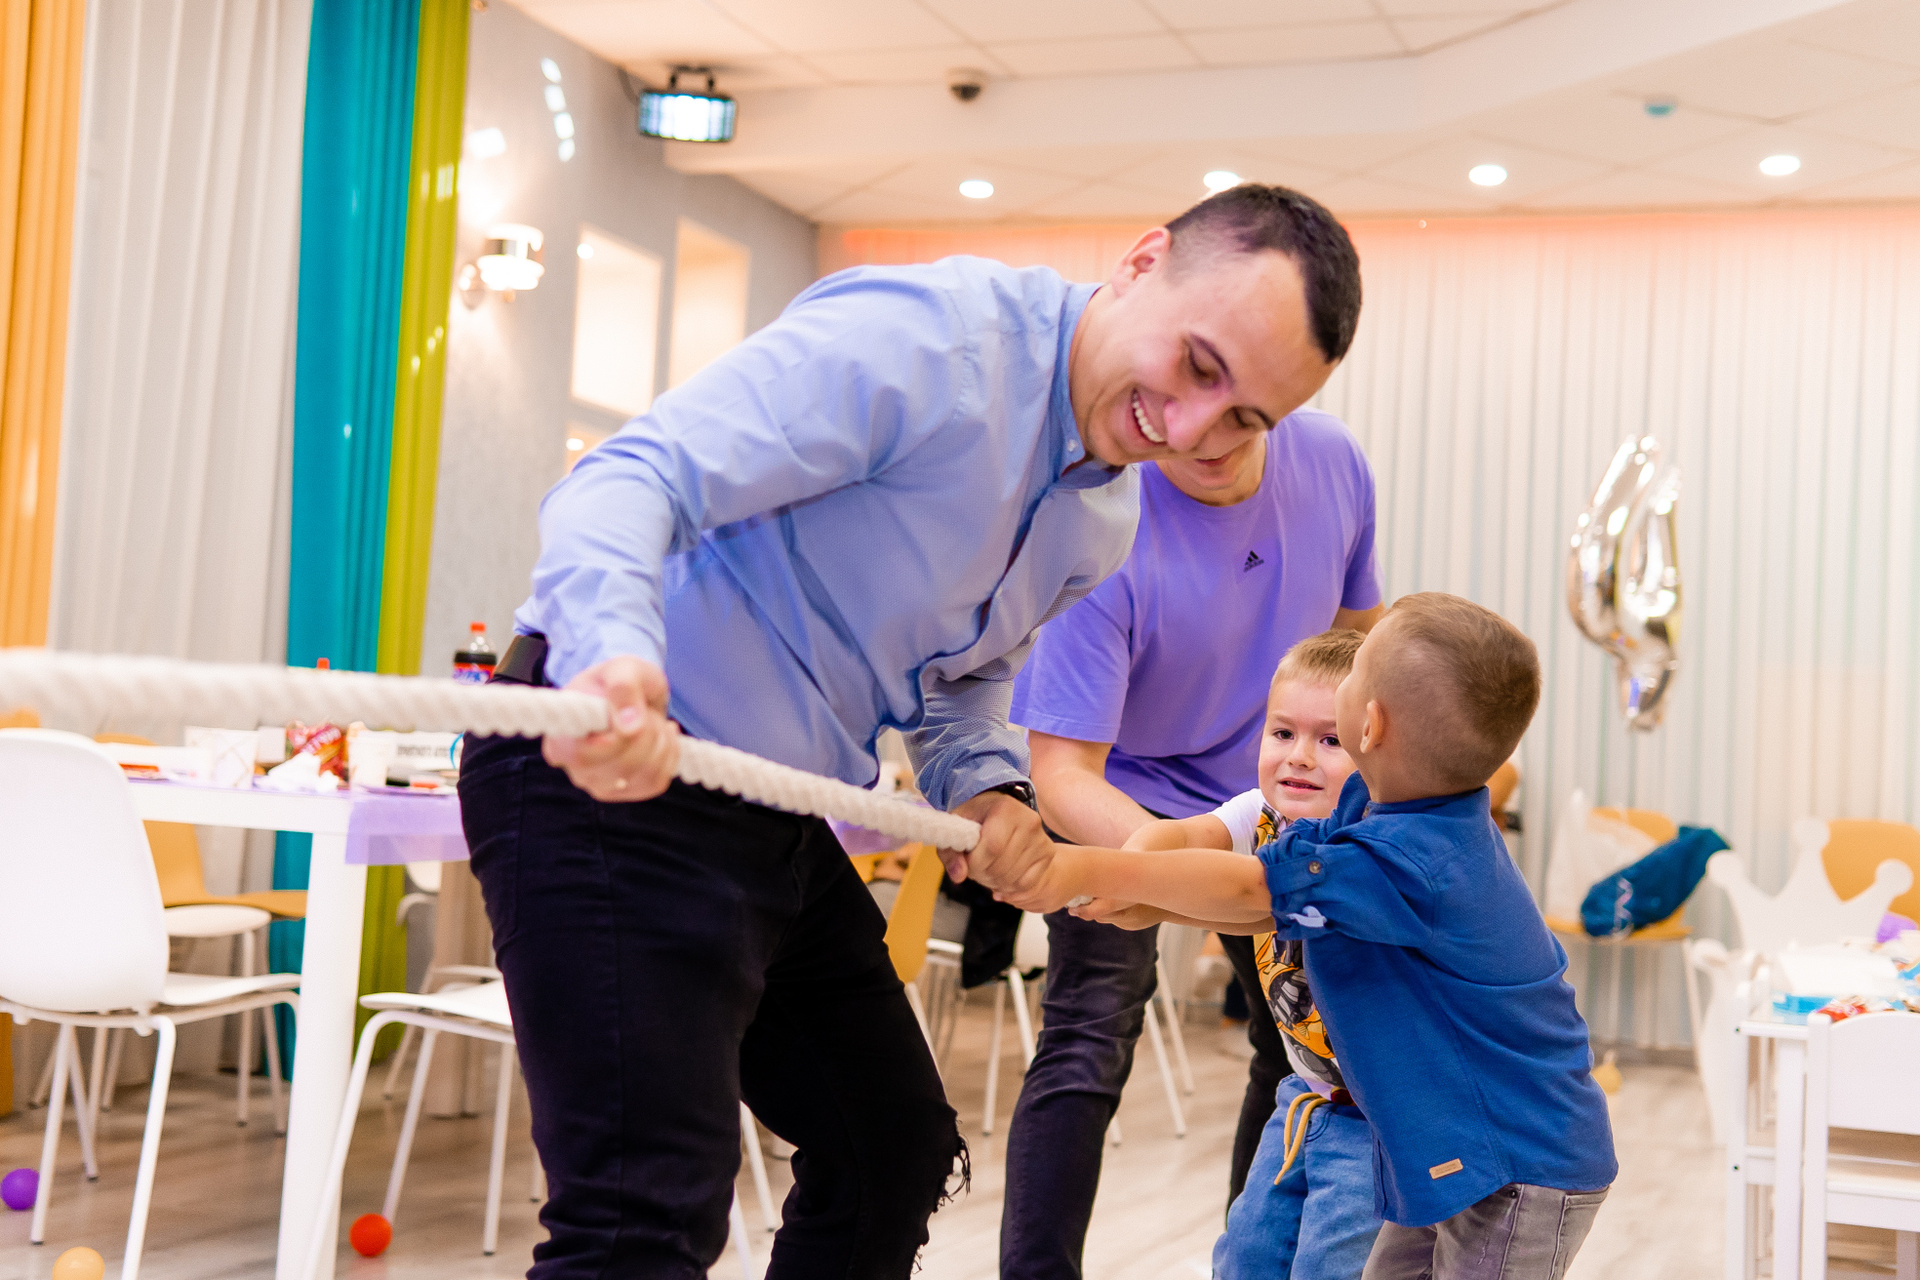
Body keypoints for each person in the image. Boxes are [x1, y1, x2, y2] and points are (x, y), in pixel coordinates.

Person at [456, 182, 1363, 1279]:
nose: (1188, 429)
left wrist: (988, 789)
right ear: (1141, 263)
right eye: (1198, 366)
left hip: (775, 808)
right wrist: (616, 653)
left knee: (891, 1150)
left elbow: (958, 680)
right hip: (608, 767)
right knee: (641, 1215)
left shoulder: (1102, 516)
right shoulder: (929, 344)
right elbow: (630, 477)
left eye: (1243, 420)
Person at [1010, 592, 1617, 1280]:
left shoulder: (1410, 856)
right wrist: (1155, 904)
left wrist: (1074, 866)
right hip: (1449, 1133)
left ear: (1370, 723)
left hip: (1524, 1159)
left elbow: (1252, 891)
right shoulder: (1380, 814)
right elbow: (1271, 909)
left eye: (1353, 681)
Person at [1000, 280, 1381, 1277]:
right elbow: (1060, 770)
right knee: (1088, 1041)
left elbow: (1362, 658)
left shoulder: (1333, 463)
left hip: (1280, 800)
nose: (1206, 437)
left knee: (1290, 1045)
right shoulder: (1098, 528)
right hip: (1124, 800)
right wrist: (1164, 872)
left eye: (1240, 414)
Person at [1094, 629, 1380, 1279]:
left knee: (1330, 1266)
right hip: (1306, 1094)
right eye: (1282, 733)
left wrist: (1139, 891)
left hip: (1381, 1119)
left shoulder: (1371, 840)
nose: (1298, 757)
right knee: (1247, 1253)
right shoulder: (1260, 813)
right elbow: (1181, 837)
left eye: (1330, 740)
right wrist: (1130, 866)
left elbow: (1250, 894)